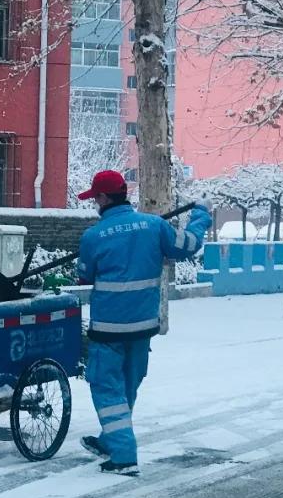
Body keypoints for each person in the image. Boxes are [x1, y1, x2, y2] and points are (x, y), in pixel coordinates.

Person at [76, 170, 213, 476]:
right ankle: (111, 439)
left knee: (107, 388)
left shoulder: (93, 236)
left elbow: (85, 275)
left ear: (102, 198)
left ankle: (123, 454)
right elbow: (189, 244)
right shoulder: (155, 226)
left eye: (94, 198)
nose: (94, 203)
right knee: (126, 385)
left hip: (108, 328)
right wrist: (201, 214)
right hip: (143, 325)